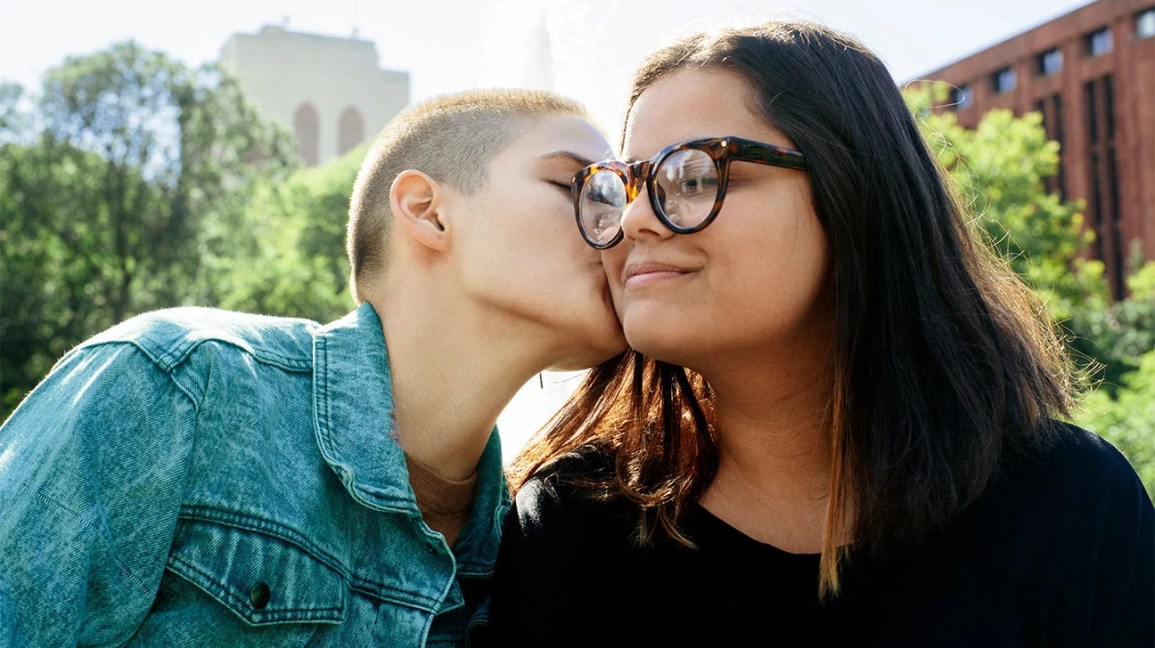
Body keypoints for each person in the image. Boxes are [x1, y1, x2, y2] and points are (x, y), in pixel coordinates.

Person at [482, 20, 1154, 647]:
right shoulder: (573, 520)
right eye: (623, 186)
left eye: (692, 175)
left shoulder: (1068, 501)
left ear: (851, 192)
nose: (633, 223)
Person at [0, 88, 625, 646]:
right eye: (582, 188)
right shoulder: (180, 385)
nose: (623, 227)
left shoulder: (538, 549)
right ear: (429, 212)